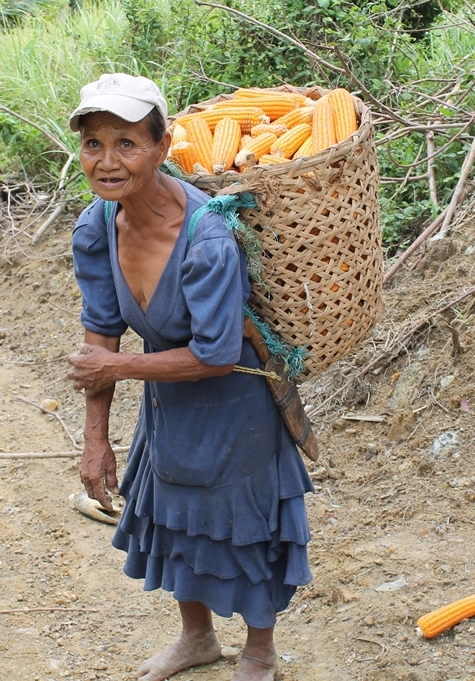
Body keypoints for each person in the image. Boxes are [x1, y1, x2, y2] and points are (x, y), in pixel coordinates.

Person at [65, 73, 313, 681]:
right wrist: (96, 438)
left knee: (245, 527)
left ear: (162, 145)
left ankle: (260, 652)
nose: (107, 160)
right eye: (93, 143)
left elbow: (218, 353)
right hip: (167, 403)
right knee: (173, 516)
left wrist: (118, 367)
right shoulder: (97, 228)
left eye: (126, 143)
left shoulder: (206, 237)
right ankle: (197, 638)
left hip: (235, 403)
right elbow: (101, 330)